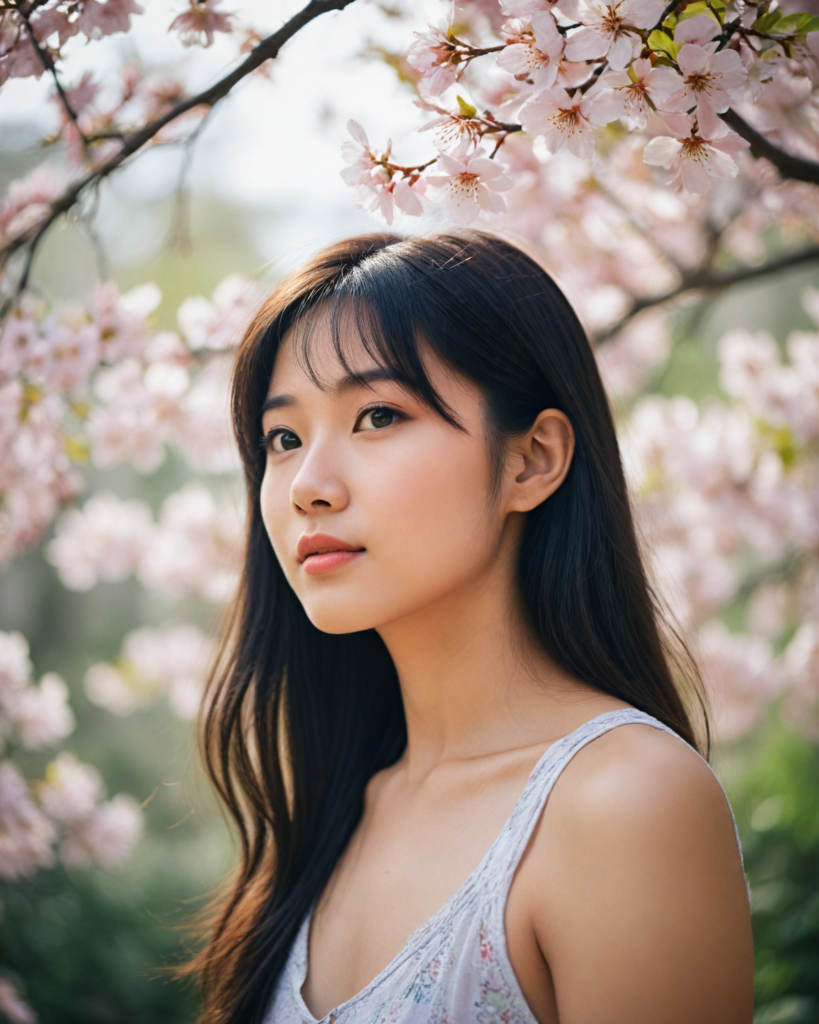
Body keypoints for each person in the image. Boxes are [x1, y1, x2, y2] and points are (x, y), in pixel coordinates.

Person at [190, 232, 753, 1024]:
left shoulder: (622, 803)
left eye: (378, 416)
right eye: (283, 438)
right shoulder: (335, 810)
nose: (307, 486)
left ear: (531, 460)